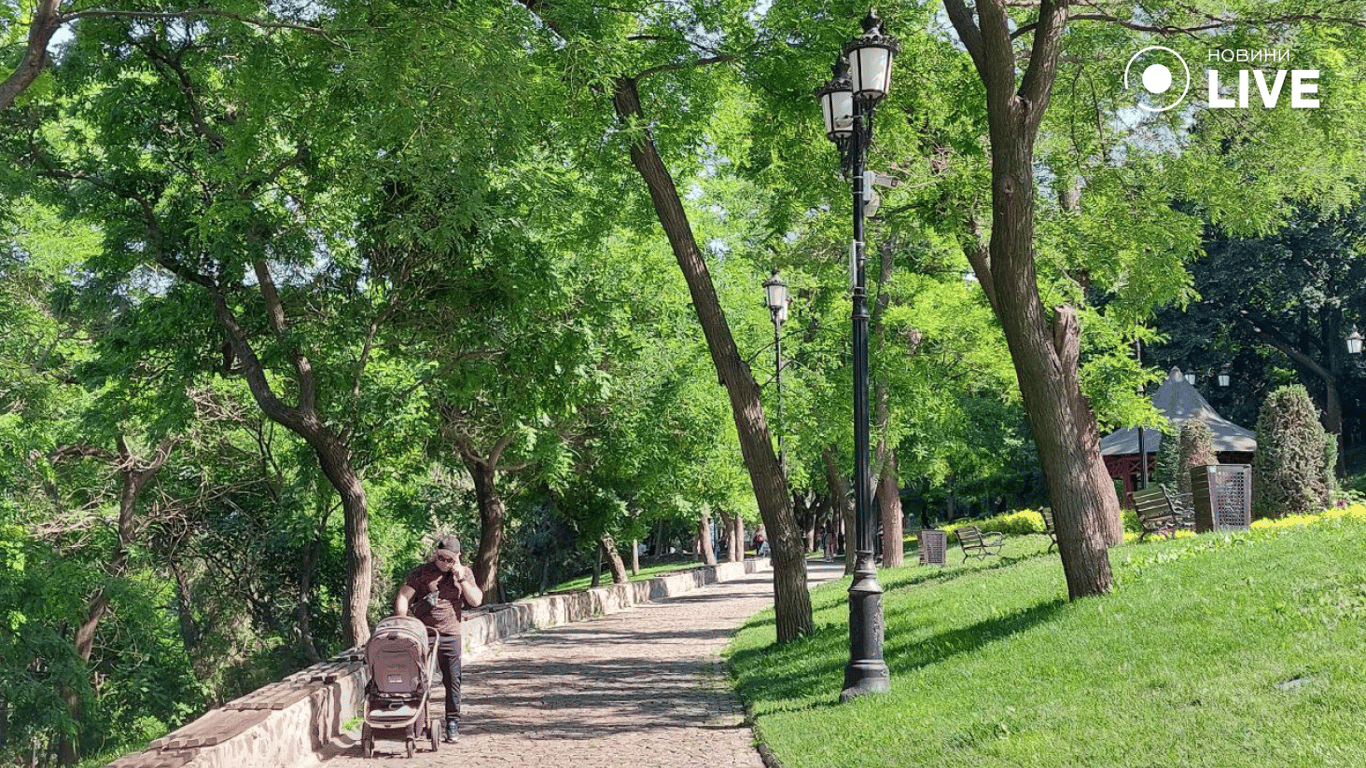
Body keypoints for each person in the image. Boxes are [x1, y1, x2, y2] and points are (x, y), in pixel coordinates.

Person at [394, 534, 483, 743]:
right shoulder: (422, 572)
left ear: (458, 557)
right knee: (417, 680)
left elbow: (476, 600)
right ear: (436, 554)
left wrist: (460, 577)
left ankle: (452, 723)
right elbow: (403, 596)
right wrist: (403, 621)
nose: (443, 563)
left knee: (453, 680)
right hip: (424, 635)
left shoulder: (465, 574)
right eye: (440, 558)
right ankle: (416, 722)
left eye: (449, 560)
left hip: (451, 635)